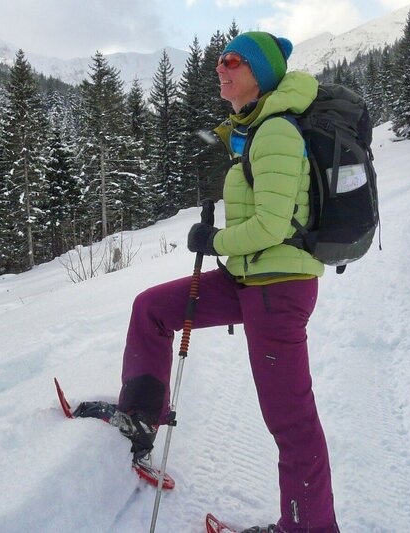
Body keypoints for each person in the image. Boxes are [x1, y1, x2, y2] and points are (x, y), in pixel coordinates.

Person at [94, 31, 338, 533]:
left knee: (293, 426)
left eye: (233, 62)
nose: (221, 69)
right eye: (219, 61)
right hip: (249, 282)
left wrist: (214, 239)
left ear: (261, 74)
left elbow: (271, 226)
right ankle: (141, 417)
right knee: (154, 309)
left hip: (278, 289)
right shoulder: (255, 126)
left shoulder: (276, 132)